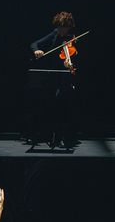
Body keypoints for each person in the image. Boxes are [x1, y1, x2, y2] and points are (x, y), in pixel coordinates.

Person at [28, 11, 79, 146]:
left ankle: (62, 136)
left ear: (69, 27)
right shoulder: (55, 33)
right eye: (60, 27)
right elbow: (34, 44)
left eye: (65, 28)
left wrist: (68, 63)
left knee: (61, 102)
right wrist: (36, 51)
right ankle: (44, 134)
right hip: (51, 74)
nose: (62, 30)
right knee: (45, 102)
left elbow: (74, 58)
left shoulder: (72, 38)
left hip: (65, 76)